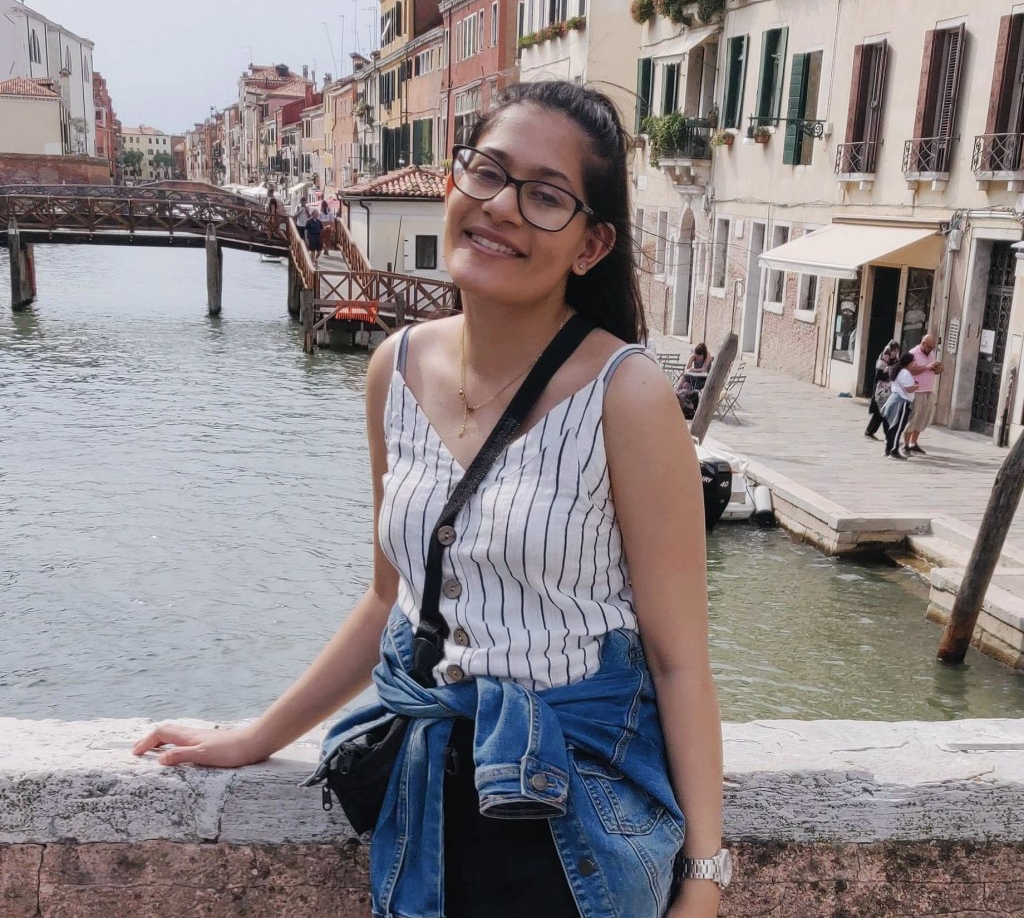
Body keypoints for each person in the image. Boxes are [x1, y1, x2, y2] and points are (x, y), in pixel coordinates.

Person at [132, 82, 725, 918]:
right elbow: (391, 599)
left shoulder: (627, 395)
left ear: (591, 245)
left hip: (572, 818)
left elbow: (678, 659)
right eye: (487, 172)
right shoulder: (395, 369)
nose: (502, 208)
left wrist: (705, 877)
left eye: (545, 195)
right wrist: (256, 736)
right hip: (428, 805)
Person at [904, 332, 943, 455]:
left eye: (932, 347)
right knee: (913, 419)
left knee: (922, 419)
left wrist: (938, 369)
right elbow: (910, 370)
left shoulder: (930, 354)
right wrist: (927, 367)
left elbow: (931, 370)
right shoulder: (913, 353)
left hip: (928, 391)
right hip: (917, 392)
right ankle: (905, 446)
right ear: (923, 343)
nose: (931, 349)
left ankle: (913, 443)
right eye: (929, 347)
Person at [881, 351, 919, 460]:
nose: (915, 363)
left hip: (895, 400)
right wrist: (916, 387)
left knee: (892, 427)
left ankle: (888, 449)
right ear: (909, 362)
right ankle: (894, 451)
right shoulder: (905, 373)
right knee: (898, 427)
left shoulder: (899, 371)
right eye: (914, 361)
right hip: (901, 402)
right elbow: (908, 388)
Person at [865, 339, 900, 440]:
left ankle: (871, 431)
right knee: (882, 412)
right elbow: (879, 375)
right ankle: (884, 434)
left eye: (897, 351)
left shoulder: (893, 359)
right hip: (881, 390)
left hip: (889, 389)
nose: (896, 353)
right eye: (895, 350)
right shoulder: (884, 357)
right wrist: (891, 373)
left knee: (882, 412)